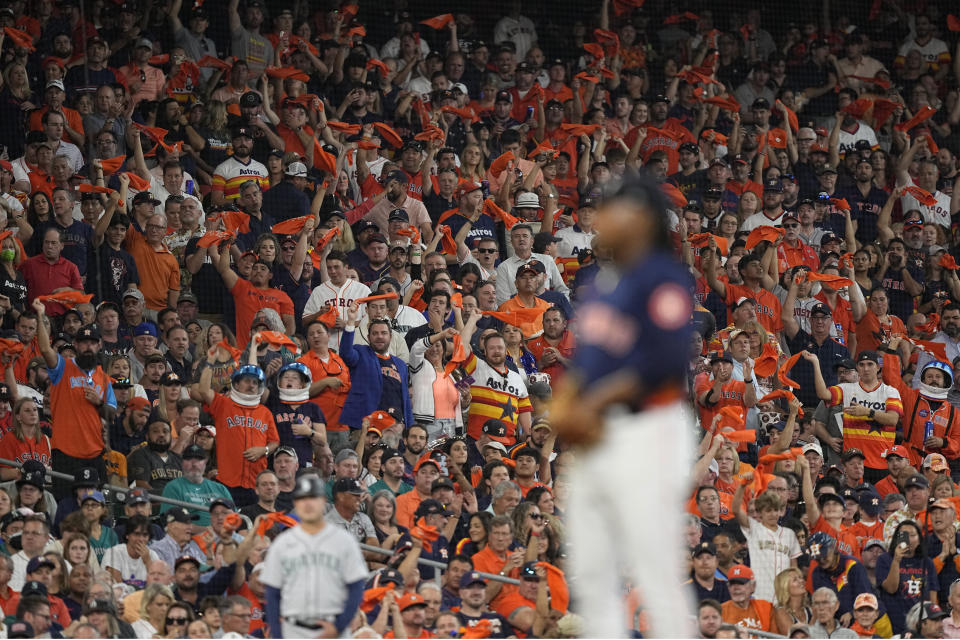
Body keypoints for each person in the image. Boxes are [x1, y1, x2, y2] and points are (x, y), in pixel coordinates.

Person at [552, 175, 695, 637]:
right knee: (592, 565)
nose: (602, 217)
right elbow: (591, 361)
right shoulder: (606, 281)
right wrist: (569, 403)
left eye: (613, 209)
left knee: (652, 565)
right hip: (602, 434)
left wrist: (588, 403)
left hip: (648, 428)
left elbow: (665, 360)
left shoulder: (664, 277)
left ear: (641, 219)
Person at [261, 474, 367, 638]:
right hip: (293, 629)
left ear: (324, 501)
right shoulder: (282, 544)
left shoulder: (344, 541)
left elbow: (356, 587)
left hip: (334, 628)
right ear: (295, 503)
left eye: (313, 498)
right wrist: (277, 633)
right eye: (303, 499)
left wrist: (339, 626)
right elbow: (272, 592)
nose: (308, 504)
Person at [195, 360, 280, 506]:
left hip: (255, 482)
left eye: (255, 382)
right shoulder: (223, 404)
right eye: (247, 381)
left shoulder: (265, 412)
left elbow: (275, 442)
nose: (251, 385)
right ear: (235, 384)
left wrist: (264, 450)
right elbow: (203, 390)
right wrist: (209, 362)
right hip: (227, 481)